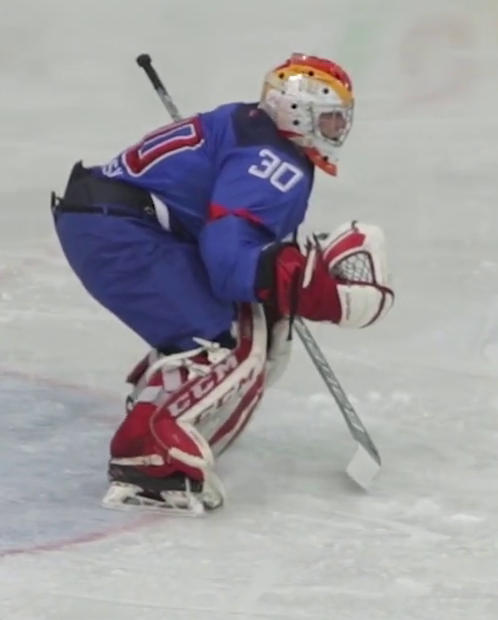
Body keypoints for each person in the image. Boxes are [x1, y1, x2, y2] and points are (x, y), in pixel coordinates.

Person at [50, 53, 394, 515]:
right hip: (121, 232)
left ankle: (168, 405)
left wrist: (279, 282)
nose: (337, 130)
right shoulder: (273, 158)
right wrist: (315, 293)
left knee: (248, 327)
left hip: (114, 221)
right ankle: (146, 454)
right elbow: (230, 261)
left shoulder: (254, 130)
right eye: (330, 118)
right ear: (297, 111)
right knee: (226, 341)